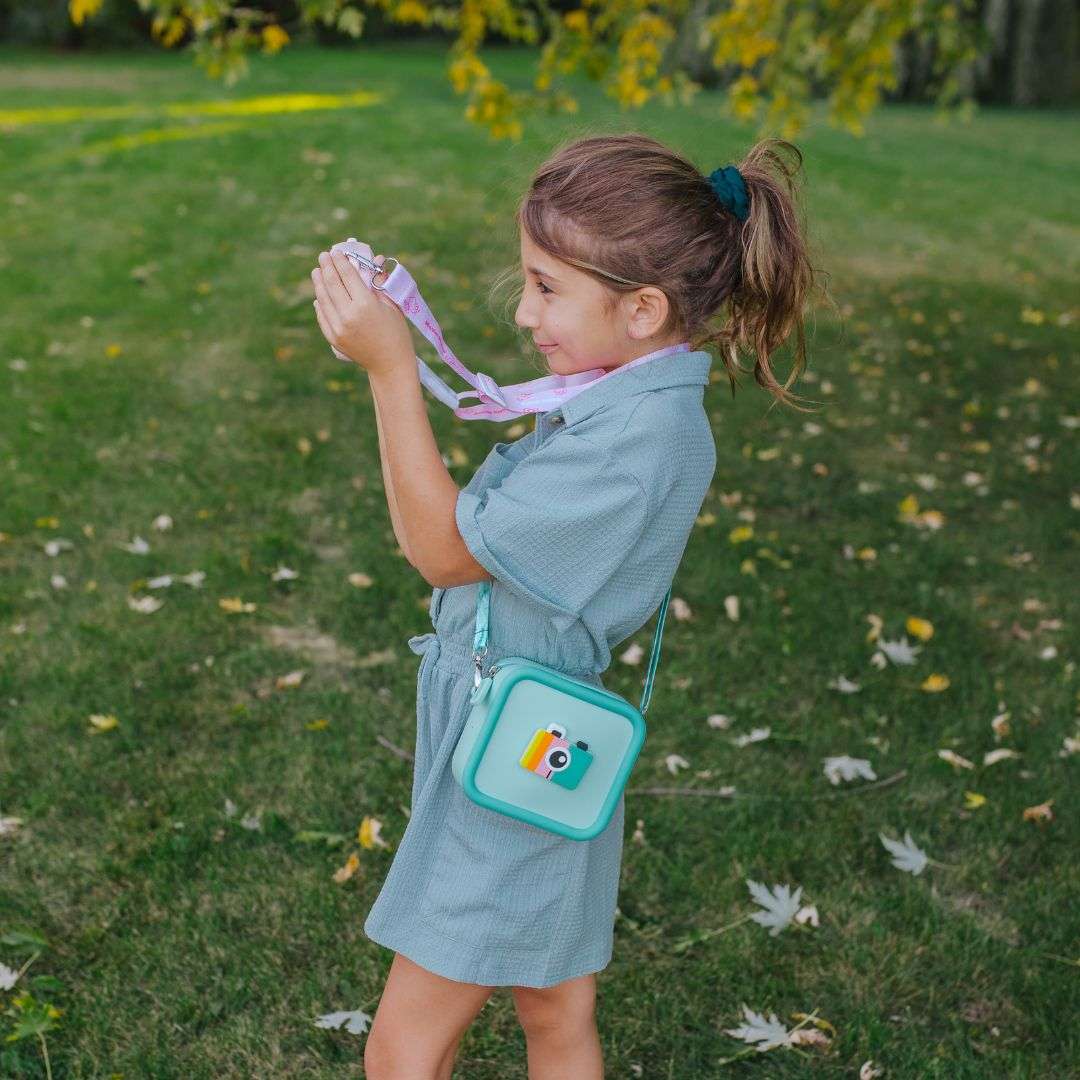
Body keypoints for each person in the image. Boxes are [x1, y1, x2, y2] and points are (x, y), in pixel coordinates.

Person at [310, 131, 824, 1080]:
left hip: (512, 753)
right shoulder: (626, 397)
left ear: (642, 309)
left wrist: (390, 371)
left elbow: (443, 547)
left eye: (548, 287)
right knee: (553, 1001)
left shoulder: (640, 441)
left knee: (404, 1044)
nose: (524, 311)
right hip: (533, 741)